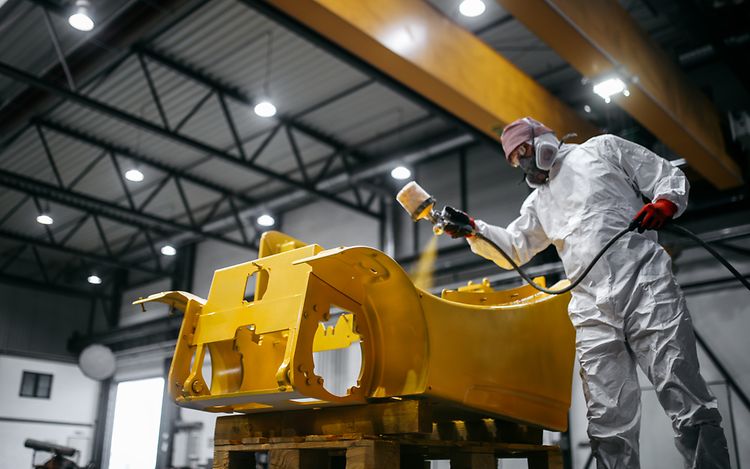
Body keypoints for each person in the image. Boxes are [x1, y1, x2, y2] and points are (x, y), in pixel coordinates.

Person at [444, 117, 731, 468]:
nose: (524, 161)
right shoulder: (540, 202)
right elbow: (515, 247)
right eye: (516, 159)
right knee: (608, 421)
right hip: (592, 309)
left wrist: (666, 201)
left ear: (542, 139)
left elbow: (662, 173)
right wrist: (474, 229)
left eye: (524, 150)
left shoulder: (602, 149)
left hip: (645, 286)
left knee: (684, 395)